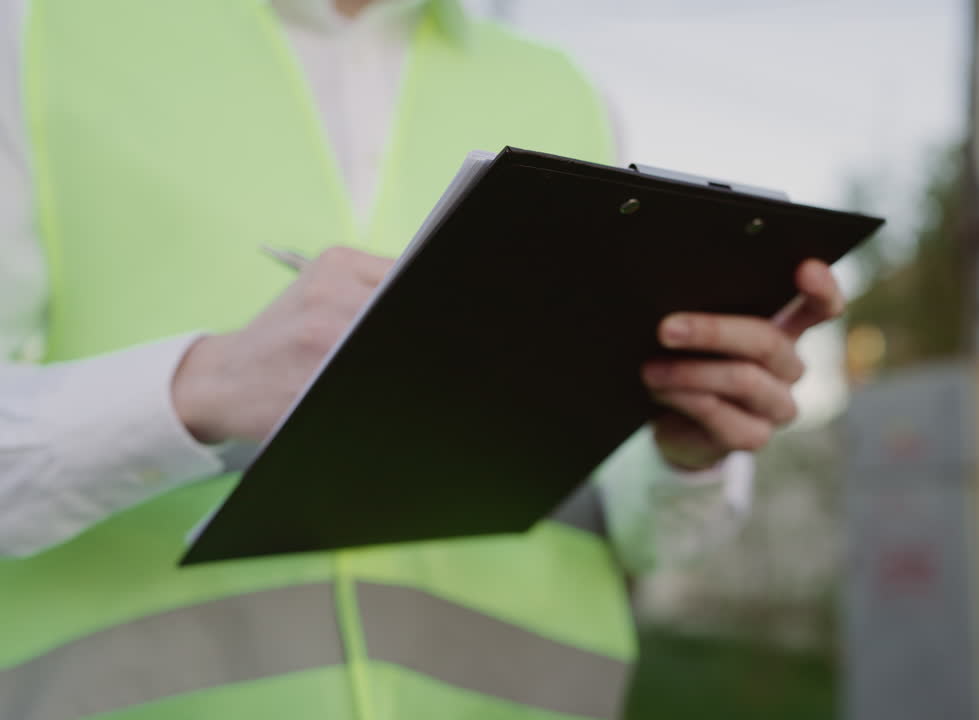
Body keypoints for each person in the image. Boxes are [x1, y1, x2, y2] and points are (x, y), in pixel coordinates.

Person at [0, 0, 846, 718]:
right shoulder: (41, 43)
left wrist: (684, 457)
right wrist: (198, 388)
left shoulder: (564, 91)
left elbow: (648, 534)